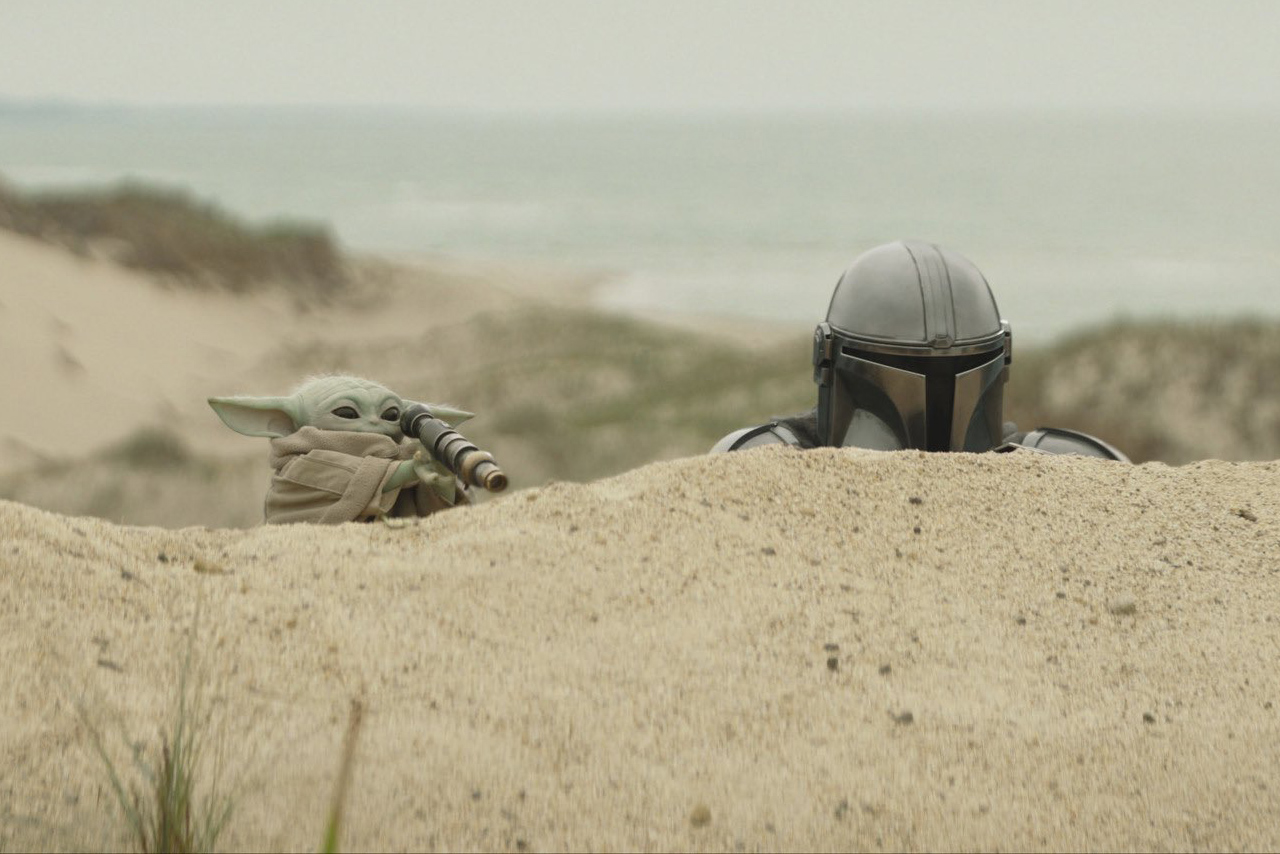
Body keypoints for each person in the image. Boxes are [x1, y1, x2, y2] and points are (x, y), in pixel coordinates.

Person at [711, 240, 1128, 461]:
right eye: (906, 364)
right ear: (1004, 357)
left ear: (826, 356)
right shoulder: (1084, 462)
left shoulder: (752, 459)